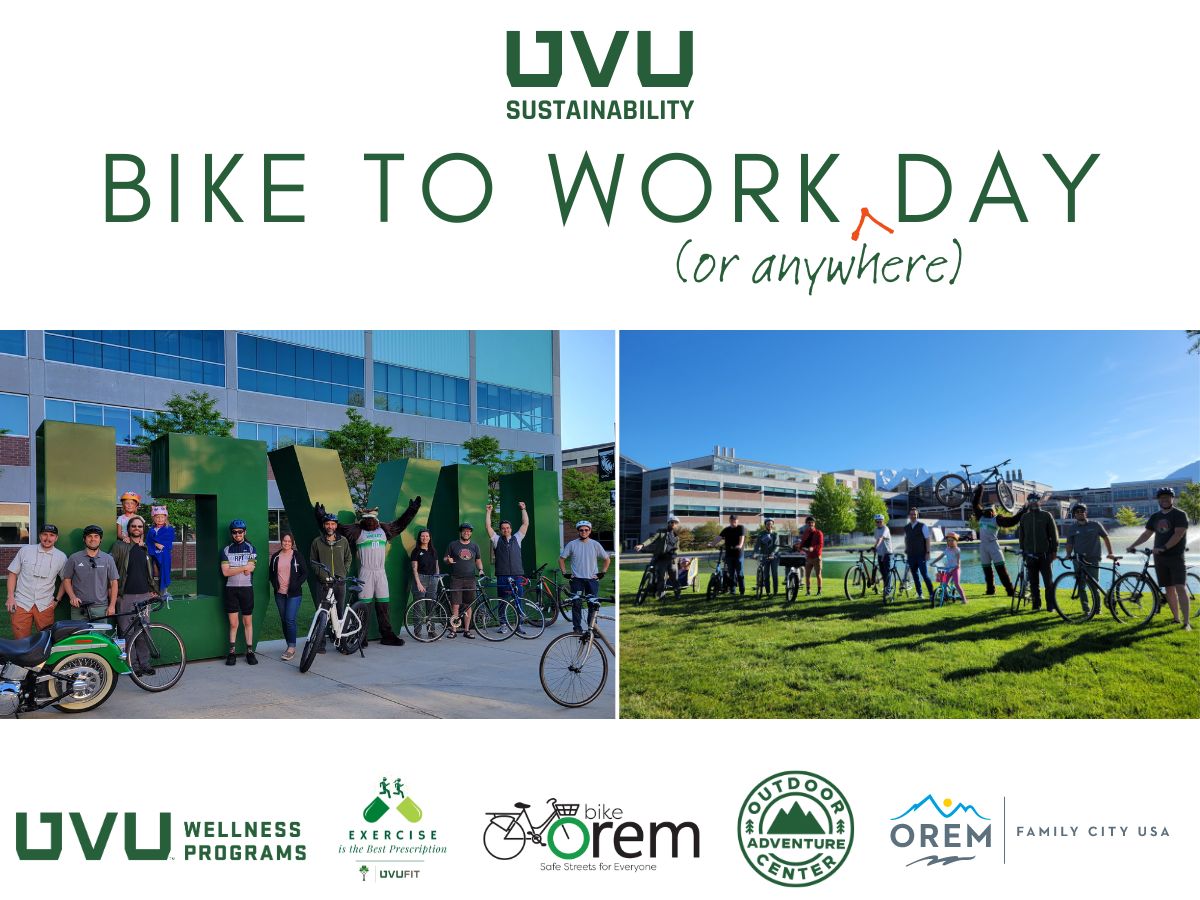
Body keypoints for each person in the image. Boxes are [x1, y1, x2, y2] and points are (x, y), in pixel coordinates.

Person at [312, 497, 422, 648]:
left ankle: (388, 635)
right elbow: (335, 528)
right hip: (366, 572)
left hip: (380, 572)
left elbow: (400, 524)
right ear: (362, 519)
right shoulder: (356, 530)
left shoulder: (384, 529)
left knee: (384, 605)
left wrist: (412, 510)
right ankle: (360, 636)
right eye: (367, 518)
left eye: (372, 518)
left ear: (376, 518)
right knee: (364, 606)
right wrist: (321, 515)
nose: (370, 521)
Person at [1127, 487, 1190, 630]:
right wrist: (1133, 545)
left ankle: (1187, 623)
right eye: (1162, 498)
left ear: (1172, 499)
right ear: (1158, 500)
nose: (1165, 500)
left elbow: (1178, 534)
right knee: (1169, 589)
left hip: (1176, 557)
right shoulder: (1155, 517)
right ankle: (1176, 619)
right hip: (1159, 559)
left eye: (1167, 497)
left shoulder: (1180, 514)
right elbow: (1147, 534)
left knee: (1180, 587)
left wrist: (1164, 547)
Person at [110, 515, 161, 675]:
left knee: (144, 631)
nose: (137, 529)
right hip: (125, 596)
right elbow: (110, 570)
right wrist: (113, 593)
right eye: (133, 526)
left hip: (144, 596)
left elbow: (150, 572)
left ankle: (144, 664)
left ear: (142, 529)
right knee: (127, 633)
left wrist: (153, 589)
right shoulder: (120, 546)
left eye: (139, 526)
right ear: (128, 529)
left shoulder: (145, 548)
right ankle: (132, 666)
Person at [5, 523, 68, 639]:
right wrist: (10, 597)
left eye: (51, 535)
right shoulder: (26, 551)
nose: (47, 538)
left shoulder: (61, 557)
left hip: (45, 605)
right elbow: (13, 573)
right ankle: (22, 657)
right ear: (40, 536)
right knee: (21, 641)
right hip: (21, 603)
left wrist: (57, 600)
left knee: (45, 640)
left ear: (56, 538)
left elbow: (66, 580)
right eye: (45, 534)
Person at [1064, 503, 1117, 617]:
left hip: (1093, 559)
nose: (1080, 513)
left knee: (1094, 585)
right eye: (1077, 512)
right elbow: (1069, 543)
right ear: (1074, 515)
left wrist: (1110, 553)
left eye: (1082, 511)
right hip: (1078, 560)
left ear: (1085, 512)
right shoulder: (1072, 528)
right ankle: (1086, 609)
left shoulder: (1095, 524)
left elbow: (1106, 538)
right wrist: (1068, 554)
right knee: (1081, 585)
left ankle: (1097, 609)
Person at [310, 513, 353, 653]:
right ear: (324, 525)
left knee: (340, 613)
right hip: (323, 583)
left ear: (336, 525)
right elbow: (313, 562)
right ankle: (320, 643)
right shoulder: (317, 541)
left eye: (333, 524)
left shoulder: (343, 541)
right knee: (322, 613)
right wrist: (323, 576)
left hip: (339, 583)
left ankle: (340, 642)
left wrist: (343, 573)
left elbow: (348, 559)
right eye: (328, 523)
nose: (330, 526)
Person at [559, 520, 611, 633]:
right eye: (581, 530)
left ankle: (592, 629)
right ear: (578, 531)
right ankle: (577, 628)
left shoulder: (595, 544)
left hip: (592, 580)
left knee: (592, 604)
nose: (584, 532)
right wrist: (564, 573)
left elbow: (607, 559)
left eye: (586, 530)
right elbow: (562, 559)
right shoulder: (572, 544)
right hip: (577, 580)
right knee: (576, 604)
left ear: (590, 531)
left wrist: (603, 572)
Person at [486, 501, 531, 634]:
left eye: (508, 528)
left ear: (511, 529)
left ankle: (518, 625)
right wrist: (488, 512)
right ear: (501, 530)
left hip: (517, 575)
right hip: (502, 575)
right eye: (503, 528)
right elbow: (488, 526)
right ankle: (503, 624)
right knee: (502, 601)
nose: (506, 529)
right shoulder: (496, 539)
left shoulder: (517, 538)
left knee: (518, 601)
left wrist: (523, 509)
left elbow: (525, 524)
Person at [60, 524, 119, 621]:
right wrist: (72, 597)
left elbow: (114, 583)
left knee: (98, 636)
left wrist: (112, 606)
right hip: (79, 608)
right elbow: (66, 580)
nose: (93, 539)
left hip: (100, 608)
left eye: (96, 536)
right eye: (89, 536)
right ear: (84, 539)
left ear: (101, 539)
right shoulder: (74, 558)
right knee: (79, 636)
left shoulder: (108, 559)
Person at [219, 519, 257, 665]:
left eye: (240, 532)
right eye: (234, 532)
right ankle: (232, 652)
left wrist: (233, 568)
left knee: (248, 621)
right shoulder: (226, 550)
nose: (237, 534)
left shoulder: (251, 548)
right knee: (233, 624)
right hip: (231, 590)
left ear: (244, 532)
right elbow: (225, 572)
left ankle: (249, 651)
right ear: (231, 534)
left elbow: (251, 569)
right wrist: (242, 567)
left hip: (247, 589)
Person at [1014, 492, 1059, 612]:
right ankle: (1036, 605)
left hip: (1044, 555)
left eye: (1035, 499)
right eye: (1031, 500)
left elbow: (1054, 535)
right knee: (1034, 583)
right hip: (1030, 555)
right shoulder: (1024, 517)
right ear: (1028, 502)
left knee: (1048, 583)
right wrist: (1023, 550)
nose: (1033, 502)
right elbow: (1021, 536)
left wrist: (1054, 551)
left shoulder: (1046, 515)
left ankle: (1050, 606)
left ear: (1040, 501)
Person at [269, 532, 308, 661]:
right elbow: (271, 574)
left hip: (294, 594)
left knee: (290, 619)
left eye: (289, 541)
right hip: (280, 594)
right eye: (285, 541)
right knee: (284, 620)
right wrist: (275, 585)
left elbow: (304, 573)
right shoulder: (275, 556)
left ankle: (291, 648)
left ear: (292, 543)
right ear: (281, 541)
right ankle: (289, 645)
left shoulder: (297, 556)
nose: (286, 543)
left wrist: (296, 584)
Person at [972, 485, 1016, 597]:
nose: (988, 512)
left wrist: (1021, 513)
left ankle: (1010, 591)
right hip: (983, 546)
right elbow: (975, 504)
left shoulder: (996, 519)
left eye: (990, 510)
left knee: (1001, 570)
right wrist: (980, 490)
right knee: (987, 570)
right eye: (986, 510)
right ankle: (990, 590)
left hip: (993, 545)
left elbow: (1011, 521)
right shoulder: (981, 517)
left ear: (994, 511)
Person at [444, 523, 483, 638]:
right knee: (455, 605)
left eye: (469, 531)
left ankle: (467, 630)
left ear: (471, 533)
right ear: (461, 532)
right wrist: (448, 560)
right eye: (464, 531)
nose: (467, 533)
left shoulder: (475, 546)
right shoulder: (453, 545)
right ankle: (454, 630)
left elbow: (478, 560)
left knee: (468, 605)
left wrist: (480, 570)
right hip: (456, 579)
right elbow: (445, 558)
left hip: (470, 579)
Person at [634, 516, 682, 600]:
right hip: (661, 558)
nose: (673, 524)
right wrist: (642, 545)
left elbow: (677, 548)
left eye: (675, 523)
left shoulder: (676, 536)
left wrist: (675, 554)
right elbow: (651, 539)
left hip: (671, 559)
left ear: (677, 525)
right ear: (668, 523)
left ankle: (677, 593)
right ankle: (661, 596)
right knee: (661, 578)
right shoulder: (661, 532)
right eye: (671, 522)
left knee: (674, 577)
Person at [410, 528, 441, 639]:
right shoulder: (416, 551)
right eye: (423, 536)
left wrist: (437, 577)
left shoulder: (433, 551)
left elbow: (437, 565)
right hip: (421, 579)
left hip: (433, 579)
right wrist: (418, 583)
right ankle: (417, 632)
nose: (425, 538)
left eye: (427, 536)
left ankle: (431, 631)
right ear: (419, 538)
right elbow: (414, 568)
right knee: (418, 606)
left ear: (429, 538)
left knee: (431, 606)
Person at [903, 508, 934, 600]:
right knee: (915, 575)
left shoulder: (923, 526)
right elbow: (906, 539)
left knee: (924, 575)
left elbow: (927, 539)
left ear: (917, 515)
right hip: (911, 555)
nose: (913, 516)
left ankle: (932, 594)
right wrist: (906, 549)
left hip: (921, 554)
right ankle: (920, 594)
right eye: (911, 514)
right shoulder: (906, 527)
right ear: (909, 515)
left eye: (914, 514)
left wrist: (928, 552)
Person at [711, 513, 746, 595]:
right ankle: (733, 590)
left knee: (740, 573)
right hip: (729, 554)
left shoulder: (741, 528)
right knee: (731, 573)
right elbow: (719, 538)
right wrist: (712, 544)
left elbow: (742, 538)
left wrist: (740, 545)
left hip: (738, 554)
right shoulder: (726, 530)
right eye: (731, 520)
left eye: (734, 520)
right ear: (729, 521)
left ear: (737, 521)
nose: (733, 521)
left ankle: (742, 590)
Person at [146, 505, 176, 601]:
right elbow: (148, 541)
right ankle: (154, 591)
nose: (159, 519)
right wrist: (155, 543)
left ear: (165, 517)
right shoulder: (151, 530)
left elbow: (168, 541)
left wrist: (157, 542)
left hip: (163, 555)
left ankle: (164, 592)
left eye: (162, 517)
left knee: (164, 572)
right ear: (153, 518)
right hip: (152, 554)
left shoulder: (169, 529)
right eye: (157, 517)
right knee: (153, 572)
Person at [932, 532, 966, 603]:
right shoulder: (947, 549)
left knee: (957, 584)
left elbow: (958, 559)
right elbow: (940, 557)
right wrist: (933, 562)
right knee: (943, 583)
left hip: (955, 568)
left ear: (955, 541)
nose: (950, 542)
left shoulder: (957, 550)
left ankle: (964, 599)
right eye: (948, 540)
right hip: (948, 569)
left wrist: (958, 564)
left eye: (952, 540)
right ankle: (945, 596)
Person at [753, 518, 780, 595]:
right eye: (768, 524)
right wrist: (755, 553)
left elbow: (777, 546)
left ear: (773, 525)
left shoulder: (775, 534)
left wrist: (773, 553)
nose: (770, 525)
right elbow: (757, 545)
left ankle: (775, 591)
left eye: (771, 524)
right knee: (766, 575)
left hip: (774, 557)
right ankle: (768, 591)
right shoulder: (761, 534)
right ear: (765, 525)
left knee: (774, 574)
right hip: (764, 556)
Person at [797, 515, 824, 595]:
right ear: (806, 524)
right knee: (807, 575)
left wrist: (813, 548)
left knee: (818, 575)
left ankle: (819, 591)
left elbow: (820, 544)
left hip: (816, 557)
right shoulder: (805, 533)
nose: (810, 524)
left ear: (814, 524)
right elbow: (802, 543)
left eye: (812, 523)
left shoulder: (819, 533)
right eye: (809, 523)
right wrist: (799, 547)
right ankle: (808, 591)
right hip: (808, 558)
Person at [871, 513, 894, 599]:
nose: (878, 523)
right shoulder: (876, 530)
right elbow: (877, 539)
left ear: (883, 521)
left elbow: (881, 538)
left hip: (887, 553)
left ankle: (888, 591)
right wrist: (875, 548)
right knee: (883, 572)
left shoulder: (886, 528)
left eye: (880, 521)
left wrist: (875, 546)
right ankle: (885, 588)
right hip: (880, 554)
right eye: (877, 521)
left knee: (887, 572)